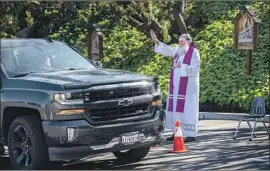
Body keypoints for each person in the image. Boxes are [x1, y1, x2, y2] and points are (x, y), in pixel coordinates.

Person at [150, 29, 200, 142]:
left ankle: (190, 134)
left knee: (188, 109)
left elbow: (195, 69)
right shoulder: (178, 50)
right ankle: (177, 132)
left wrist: (181, 66)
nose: (179, 43)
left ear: (188, 42)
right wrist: (156, 41)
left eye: (182, 41)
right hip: (176, 86)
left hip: (188, 88)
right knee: (176, 109)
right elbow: (166, 49)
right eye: (179, 41)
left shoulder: (194, 52)